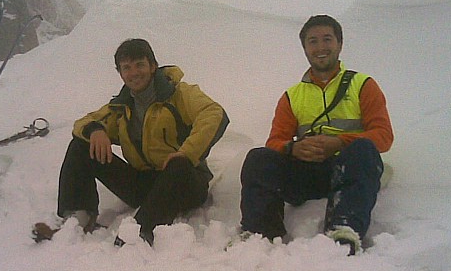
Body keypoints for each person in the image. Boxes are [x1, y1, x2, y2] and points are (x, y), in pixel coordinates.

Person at [45, 38, 229, 245]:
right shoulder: (122, 106)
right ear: (121, 73)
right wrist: (96, 130)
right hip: (144, 185)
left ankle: (141, 230)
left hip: (184, 183)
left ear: (153, 66)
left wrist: (187, 153)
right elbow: (84, 123)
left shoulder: (179, 94)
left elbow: (214, 113)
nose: (134, 73)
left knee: (178, 164)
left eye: (139, 65)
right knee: (81, 145)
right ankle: (77, 217)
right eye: (126, 68)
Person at [239, 15, 393, 254]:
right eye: (312, 41)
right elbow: (275, 142)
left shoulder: (363, 85)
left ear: (339, 44)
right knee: (258, 158)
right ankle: (261, 233)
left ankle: (344, 229)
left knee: (363, 149)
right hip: (306, 173)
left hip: (347, 171)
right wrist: (292, 149)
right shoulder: (292, 96)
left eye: (327, 39)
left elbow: (383, 136)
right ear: (305, 49)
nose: (320, 47)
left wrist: (340, 142)